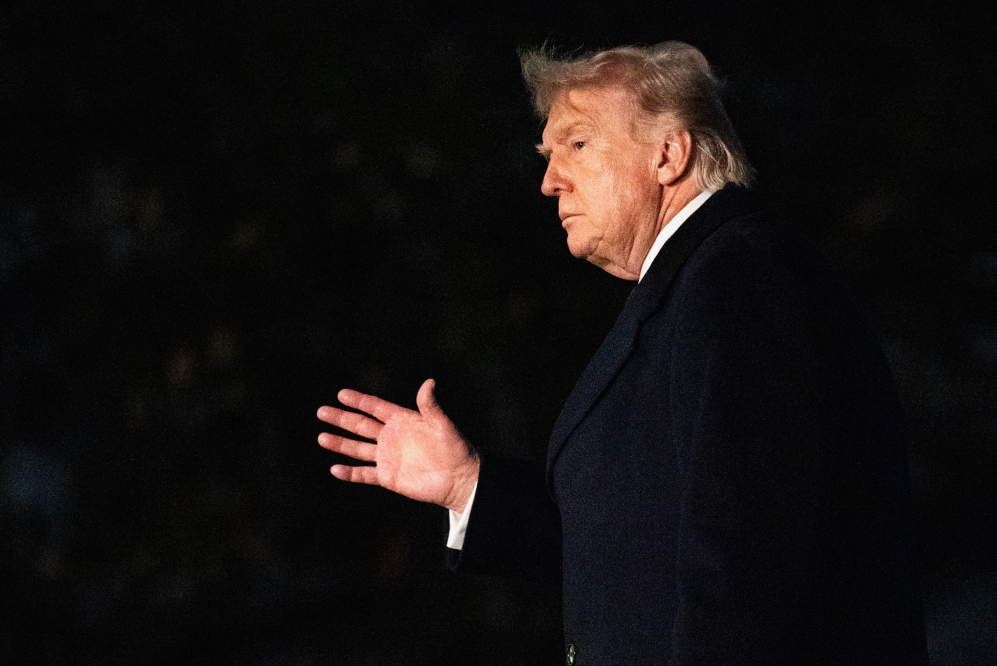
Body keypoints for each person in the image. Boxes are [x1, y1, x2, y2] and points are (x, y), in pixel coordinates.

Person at [317, 42, 928, 665]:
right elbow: (636, 553)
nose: (550, 180)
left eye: (578, 144)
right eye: (548, 155)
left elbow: (750, 569)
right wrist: (467, 486)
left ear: (669, 154)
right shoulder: (699, 288)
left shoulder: (738, 282)